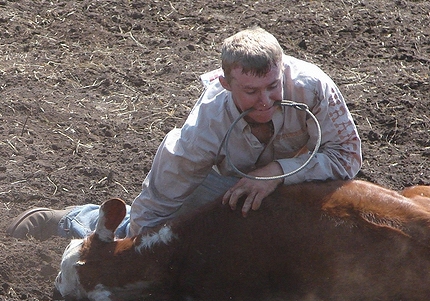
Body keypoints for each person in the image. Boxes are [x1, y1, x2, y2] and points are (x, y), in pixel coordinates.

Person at [6, 27, 362, 240]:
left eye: (272, 86)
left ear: (282, 70)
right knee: (153, 234)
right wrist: (137, 237)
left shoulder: (313, 88)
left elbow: (347, 156)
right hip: (226, 183)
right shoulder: (208, 119)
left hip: (303, 180)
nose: (266, 100)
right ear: (226, 84)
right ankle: (78, 221)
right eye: (251, 92)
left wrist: (276, 173)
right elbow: (167, 188)